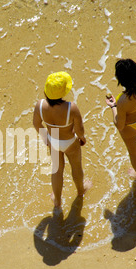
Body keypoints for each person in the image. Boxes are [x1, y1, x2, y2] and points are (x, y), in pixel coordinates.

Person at [33, 71, 92, 211]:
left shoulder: (40, 105)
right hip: (70, 142)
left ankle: (57, 201)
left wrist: (46, 138)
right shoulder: (71, 108)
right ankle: (80, 190)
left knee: (57, 170)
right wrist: (82, 139)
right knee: (76, 167)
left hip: (53, 141)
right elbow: (80, 129)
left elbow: (37, 124)